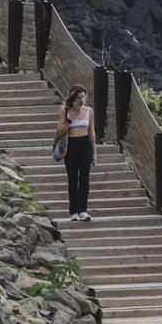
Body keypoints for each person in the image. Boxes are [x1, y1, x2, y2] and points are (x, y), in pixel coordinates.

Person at [55, 86, 95, 222]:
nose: (82, 100)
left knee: (85, 178)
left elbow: (92, 133)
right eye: (79, 97)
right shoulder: (65, 111)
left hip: (85, 145)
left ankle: (83, 210)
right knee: (73, 178)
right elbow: (60, 130)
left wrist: (94, 153)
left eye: (84, 97)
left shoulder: (89, 111)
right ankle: (73, 211)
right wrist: (69, 118)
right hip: (71, 145)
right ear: (73, 98)